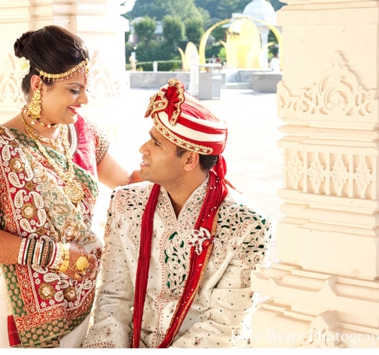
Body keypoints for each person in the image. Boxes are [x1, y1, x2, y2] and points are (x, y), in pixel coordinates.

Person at [0, 25, 134, 348]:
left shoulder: (83, 136)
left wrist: (195, 170)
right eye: (74, 90)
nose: (84, 100)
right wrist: (57, 256)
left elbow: (129, 183)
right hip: (6, 303)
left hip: (74, 298)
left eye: (84, 89)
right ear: (38, 85)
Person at [83, 79, 272, 348]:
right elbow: (114, 299)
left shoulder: (248, 226)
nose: (142, 149)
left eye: (156, 144)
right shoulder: (125, 203)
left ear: (189, 159)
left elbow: (221, 326)